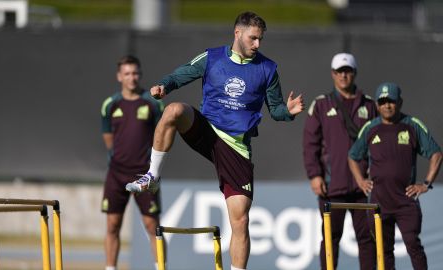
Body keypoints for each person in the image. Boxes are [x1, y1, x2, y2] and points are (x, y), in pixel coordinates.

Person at [125, 11, 304, 270]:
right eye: (253, 38)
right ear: (238, 33)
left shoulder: (268, 68)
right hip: (206, 130)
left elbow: (276, 110)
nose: (257, 45)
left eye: (260, 40)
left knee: (240, 220)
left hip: (237, 147)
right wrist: (164, 85)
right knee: (173, 110)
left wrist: (287, 112)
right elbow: (181, 74)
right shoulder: (212, 57)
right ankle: (152, 175)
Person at [348, 82, 442, 270]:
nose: (387, 106)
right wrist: (360, 180)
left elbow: (436, 154)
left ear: (399, 102)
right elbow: (352, 156)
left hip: (406, 202)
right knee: (383, 251)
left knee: (413, 246)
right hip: (378, 203)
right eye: (382, 102)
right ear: (376, 105)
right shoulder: (370, 128)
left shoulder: (412, 125)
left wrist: (425, 184)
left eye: (391, 101)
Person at [303, 53, 378, 269]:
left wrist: (374, 174)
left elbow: (377, 144)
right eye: (339, 71)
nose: (343, 76)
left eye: (347, 71)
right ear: (333, 74)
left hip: (362, 186)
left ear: (354, 73)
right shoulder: (321, 105)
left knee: (368, 238)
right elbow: (310, 144)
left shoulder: (370, 105)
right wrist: (315, 175)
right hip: (331, 184)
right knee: (330, 237)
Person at [100, 55, 164, 270]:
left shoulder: (153, 103)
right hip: (116, 173)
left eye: (135, 73)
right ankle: (111, 268)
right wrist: (119, 158)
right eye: (127, 73)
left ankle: (160, 267)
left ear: (140, 74)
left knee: (151, 225)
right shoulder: (110, 105)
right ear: (119, 76)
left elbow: (161, 136)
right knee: (112, 224)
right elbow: (108, 138)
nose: (132, 77)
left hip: (144, 174)